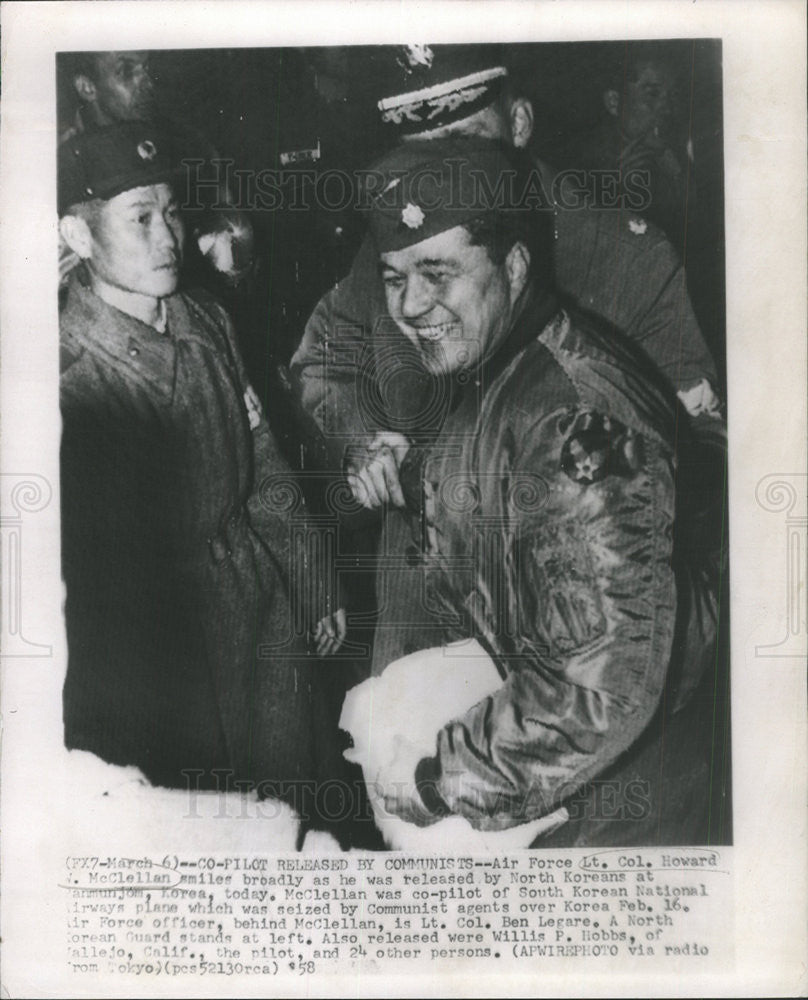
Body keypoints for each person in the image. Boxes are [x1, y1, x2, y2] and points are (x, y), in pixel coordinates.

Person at [350, 138, 722, 845]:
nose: (410, 305)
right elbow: (501, 493)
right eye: (394, 277)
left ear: (513, 264)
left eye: (437, 273)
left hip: (623, 789)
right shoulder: (504, 368)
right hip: (573, 768)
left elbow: (600, 686)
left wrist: (440, 779)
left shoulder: (575, 415)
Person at [290, 44, 723, 513]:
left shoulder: (625, 258)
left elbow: (702, 454)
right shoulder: (400, 247)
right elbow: (325, 358)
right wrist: (361, 442)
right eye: (418, 151)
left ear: (519, 125)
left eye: (465, 141)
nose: (437, 174)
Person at [57, 123, 345, 823]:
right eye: (141, 218)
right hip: (155, 651)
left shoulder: (204, 320)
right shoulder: (69, 373)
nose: (169, 238)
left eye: (173, 212)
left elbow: (265, 460)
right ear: (78, 235)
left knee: (292, 809)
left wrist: (311, 576)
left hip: (257, 605)